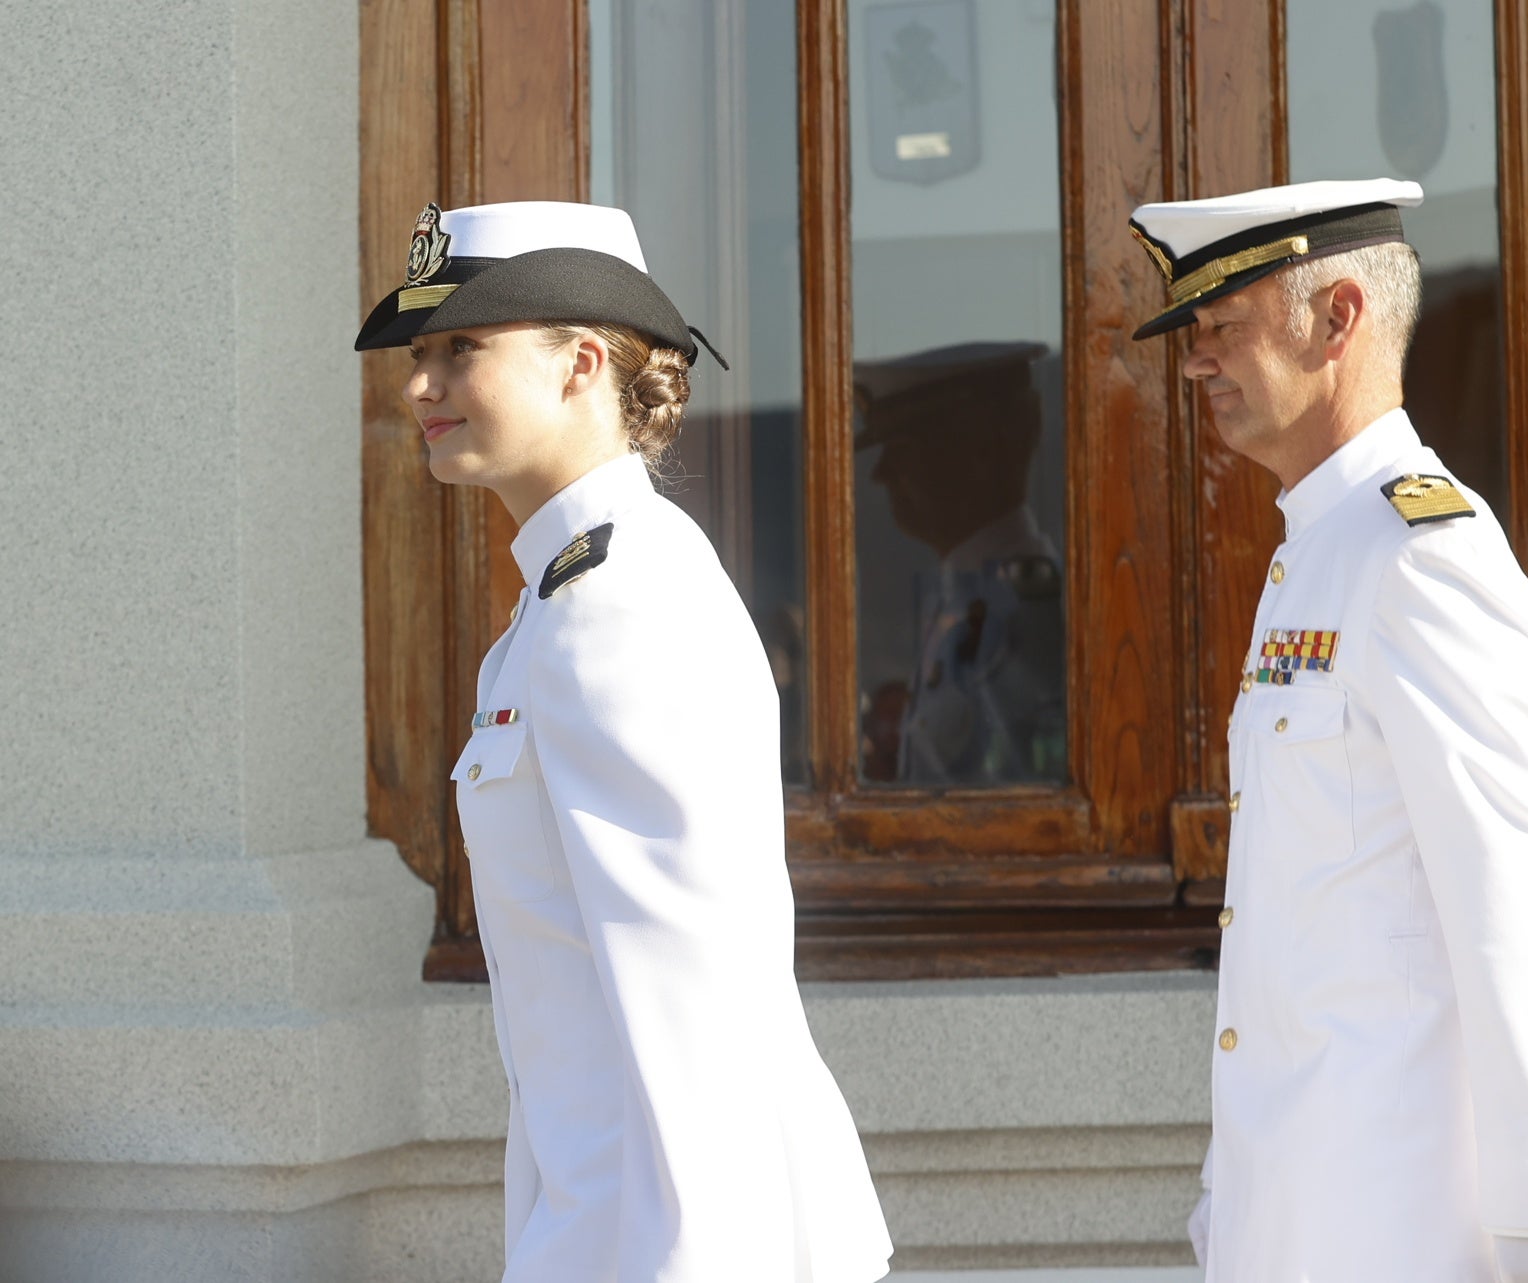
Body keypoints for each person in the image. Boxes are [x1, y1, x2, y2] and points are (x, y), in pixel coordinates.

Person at [355, 200, 893, 1283]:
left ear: (581, 364)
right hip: (603, 1220)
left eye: (462, 348)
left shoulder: (618, 605)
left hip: (668, 1237)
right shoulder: (560, 604)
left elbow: (694, 992)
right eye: (421, 353)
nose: (421, 386)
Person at [1127, 180, 1528, 1282]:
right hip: (1297, 1212)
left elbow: (1516, 898)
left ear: (1337, 317)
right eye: (1192, 333)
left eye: (1223, 326)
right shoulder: (1320, 549)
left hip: (1402, 1227)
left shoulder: (1420, 554)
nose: (1195, 361)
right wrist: (1229, 1202)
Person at [853, 342, 1066, 785]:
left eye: (902, 446)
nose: (882, 473)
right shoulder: (968, 595)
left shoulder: (1027, 613)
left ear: (983, 450)